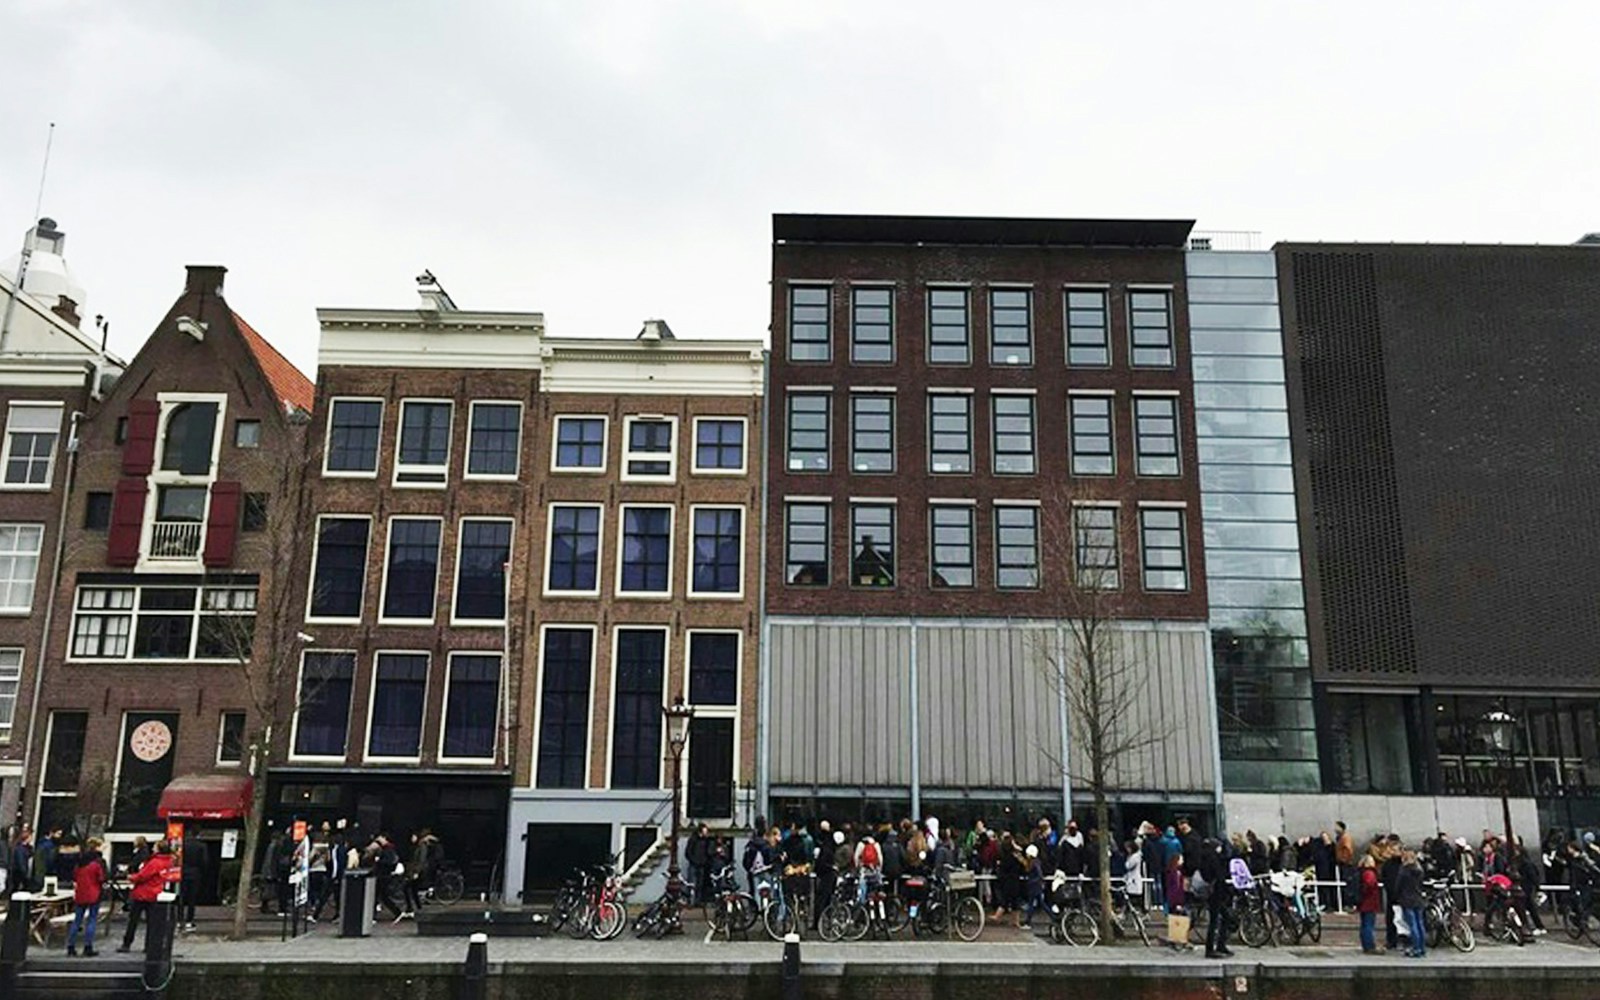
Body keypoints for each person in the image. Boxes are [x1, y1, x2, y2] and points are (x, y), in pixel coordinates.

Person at [119, 839, 175, 953]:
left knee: (133, 920)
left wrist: (130, 877)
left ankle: (127, 944)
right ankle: (149, 945)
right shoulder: (168, 861)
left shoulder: (155, 862)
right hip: (155, 892)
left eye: (154, 846)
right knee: (152, 922)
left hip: (143, 893)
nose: (152, 848)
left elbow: (143, 876)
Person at [67, 837, 108, 957]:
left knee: (77, 920)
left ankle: (71, 947)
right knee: (92, 919)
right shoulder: (98, 863)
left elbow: (75, 876)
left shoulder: (80, 862)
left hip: (80, 893)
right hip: (94, 893)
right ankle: (88, 947)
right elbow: (101, 878)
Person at [1200, 838, 1234, 959]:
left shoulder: (1205, 857)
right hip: (1215, 893)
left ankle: (1220, 945)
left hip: (1214, 893)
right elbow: (1217, 875)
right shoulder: (1212, 858)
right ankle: (1211, 948)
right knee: (1215, 920)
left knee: (1224, 918)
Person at [1396, 850, 1426, 957]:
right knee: (1420, 924)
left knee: (1412, 925)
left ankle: (1416, 948)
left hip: (1407, 899)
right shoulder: (1419, 870)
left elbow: (1398, 886)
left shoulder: (1404, 871)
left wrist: (1397, 896)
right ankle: (1422, 948)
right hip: (1418, 899)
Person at [180, 831, 209, 931]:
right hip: (195, 873)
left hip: (183, 872)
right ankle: (189, 921)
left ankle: (179, 920)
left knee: (182, 896)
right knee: (192, 898)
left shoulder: (183, 845)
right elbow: (205, 861)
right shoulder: (202, 846)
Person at [1356, 854, 1381, 953]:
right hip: (1369, 902)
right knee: (1369, 925)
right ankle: (1370, 946)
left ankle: (1366, 945)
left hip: (1363, 902)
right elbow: (1369, 886)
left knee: (1364, 924)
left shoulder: (1361, 872)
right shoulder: (1369, 873)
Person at [1019, 844, 1045, 928]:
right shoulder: (1035, 862)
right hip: (1036, 885)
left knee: (1031, 904)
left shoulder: (1034, 863)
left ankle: (1028, 922)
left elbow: (1038, 874)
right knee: (1040, 903)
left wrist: (1033, 881)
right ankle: (1053, 917)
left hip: (1034, 886)